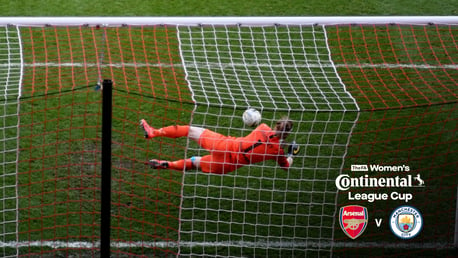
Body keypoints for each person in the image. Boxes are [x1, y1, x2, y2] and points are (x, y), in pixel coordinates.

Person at [139, 117, 298, 174]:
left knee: (190, 130)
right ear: (287, 134)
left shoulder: (262, 127)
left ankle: (154, 132)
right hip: (228, 164)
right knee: (195, 162)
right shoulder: (278, 152)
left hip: (224, 145)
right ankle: (167, 164)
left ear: (276, 125)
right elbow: (285, 166)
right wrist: (290, 154)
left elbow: (267, 136)